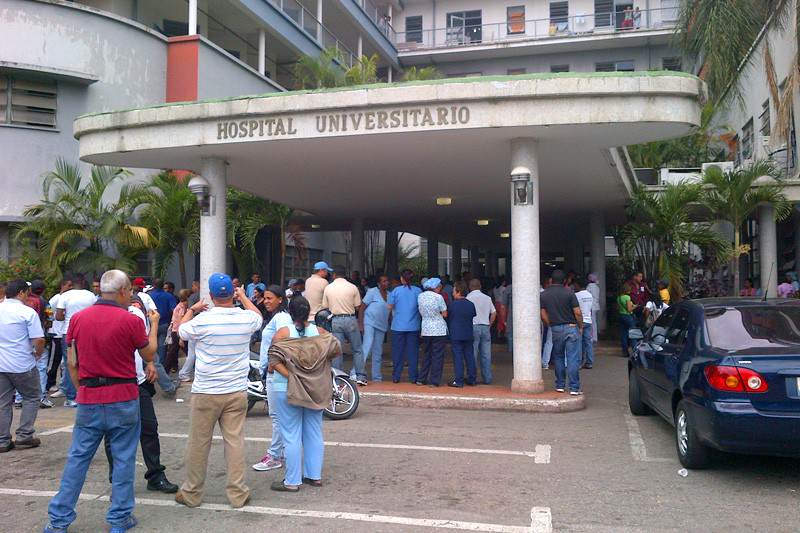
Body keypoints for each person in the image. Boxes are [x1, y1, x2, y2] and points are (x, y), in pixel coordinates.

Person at [45, 270, 159, 533]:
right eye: (129, 291)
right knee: (123, 460)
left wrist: (81, 390)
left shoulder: (79, 319)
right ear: (123, 290)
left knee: (77, 460)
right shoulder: (129, 320)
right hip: (124, 398)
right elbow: (149, 352)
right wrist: (153, 325)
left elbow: (72, 362)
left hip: (89, 397)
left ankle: (58, 520)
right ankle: (119, 519)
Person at [175, 274, 263, 509]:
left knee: (198, 443)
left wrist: (192, 309)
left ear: (212, 296)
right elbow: (258, 316)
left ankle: (191, 493)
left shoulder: (202, 321)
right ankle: (238, 494)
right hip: (236, 391)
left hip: (206, 391)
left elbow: (181, 331)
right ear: (231, 294)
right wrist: (244, 296)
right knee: (235, 443)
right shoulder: (246, 319)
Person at [102, 294, 179, 494]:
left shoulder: (135, 313)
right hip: (113, 385)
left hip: (137, 381)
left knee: (149, 428)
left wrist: (150, 363)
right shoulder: (100, 315)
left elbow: (143, 343)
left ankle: (155, 475)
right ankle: (117, 481)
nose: (132, 300)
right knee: (114, 434)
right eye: (128, 294)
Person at [267, 295, 342, 492]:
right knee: (314, 432)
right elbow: (336, 350)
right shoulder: (321, 332)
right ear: (309, 312)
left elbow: (273, 362)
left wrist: (293, 376)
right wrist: (316, 371)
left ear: (290, 312)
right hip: (315, 389)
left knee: (291, 434)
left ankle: (292, 481)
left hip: (286, 388)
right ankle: (314, 476)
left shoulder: (283, 333)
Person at [0, 279, 46, 453]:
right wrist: (38, 353)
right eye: (27, 293)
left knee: (3, 402)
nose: (28, 296)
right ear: (20, 293)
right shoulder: (26, 312)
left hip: (1, 365)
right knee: (32, 397)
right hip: (22, 364)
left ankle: (2, 440)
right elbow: (39, 339)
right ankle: (24, 435)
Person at [253, 285, 294, 472]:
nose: (266, 301)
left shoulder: (282, 317)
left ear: (280, 299)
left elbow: (286, 341)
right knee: (279, 416)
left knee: (277, 417)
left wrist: (272, 364)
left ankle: (274, 456)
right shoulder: (278, 316)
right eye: (265, 298)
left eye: (270, 298)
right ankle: (283, 453)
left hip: (275, 373)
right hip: (273, 372)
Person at [54, 275, 97, 408]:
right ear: (84, 283)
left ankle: (71, 397)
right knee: (86, 362)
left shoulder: (65, 296)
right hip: (87, 332)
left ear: (71, 284)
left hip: (68, 332)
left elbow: (59, 316)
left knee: (70, 364)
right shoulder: (91, 296)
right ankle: (86, 392)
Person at [540, 270, 583, 395]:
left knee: (558, 357)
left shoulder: (544, 295)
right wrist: (580, 326)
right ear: (564, 281)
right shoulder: (569, 293)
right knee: (572, 358)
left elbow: (542, 313)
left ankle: (560, 385)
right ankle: (574, 388)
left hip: (556, 328)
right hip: (571, 327)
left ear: (551, 280)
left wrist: (550, 324)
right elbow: (578, 312)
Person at [322, 267, 365, 385]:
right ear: (345, 275)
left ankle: (338, 379)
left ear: (334, 275)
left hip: (335, 320)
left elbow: (325, 306)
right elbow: (357, 306)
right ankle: (360, 376)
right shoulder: (352, 287)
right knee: (357, 349)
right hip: (350, 319)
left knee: (337, 351)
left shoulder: (328, 288)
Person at [140, 279, 177, 398]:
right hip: (161, 325)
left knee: (152, 357)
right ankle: (165, 382)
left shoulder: (148, 295)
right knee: (159, 352)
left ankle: (155, 375)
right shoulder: (165, 296)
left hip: (150, 328)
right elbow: (173, 309)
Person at [388, 269, 422, 383]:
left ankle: (396, 377)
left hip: (398, 326)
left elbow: (390, 307)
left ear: (402, 279)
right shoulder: (418, 291)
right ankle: (413, 377)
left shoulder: (396, 291)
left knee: (398, 352)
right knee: (413, 352)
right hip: (414, 326)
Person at [416, 278, 448, 387]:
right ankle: (434, 381)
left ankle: (421, 379)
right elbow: (444, 314)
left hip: (426, 329)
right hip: (439, 330)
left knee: (426, 355)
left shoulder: (420, 296)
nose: (440, 289)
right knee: (437, 356)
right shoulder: (439, 297)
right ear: (435, 287)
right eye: (439, 287)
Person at [360, 275, 390, 382]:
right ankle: (356, 373)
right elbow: (362, 307)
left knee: (378, 351)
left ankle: (376, 377)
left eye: (387, 281)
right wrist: (361, 324)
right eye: (384, 281)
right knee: (367, 347)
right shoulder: (372, 291)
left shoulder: (390, 295)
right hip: (369, 322)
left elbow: (390, 312)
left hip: (381, 325)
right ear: (379, 283)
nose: (386, 283)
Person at [447, 281, 477, 387]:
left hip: (456, 334)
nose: (452, 293)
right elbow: (473, 315)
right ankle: (472, 379)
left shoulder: (452, 305)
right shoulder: (471, 304)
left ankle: (459, 380)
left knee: (458, 357)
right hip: (468, 333)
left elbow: (448, 317)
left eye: (454, 291)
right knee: (469, 356)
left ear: (458, 292)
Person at [466, 278, 496, 384]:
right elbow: (494, 313)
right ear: (480, 286)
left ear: (470, 287)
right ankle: (487, 379)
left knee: (472, 353)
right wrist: (489, 324)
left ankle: (472, 378)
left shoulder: (468, 298)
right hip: (485, 326)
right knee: (486, 354)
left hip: (473, 327)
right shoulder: (487, 298)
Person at [46, 278, 72, 395]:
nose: (70, 288)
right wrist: (50, 324)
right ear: (62, 285)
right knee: (54, 361)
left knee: (64, 362)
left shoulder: (69, 298)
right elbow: (48, 311)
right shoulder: (56, 298)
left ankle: (64, 385)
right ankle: (50, 383)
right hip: (56, 334)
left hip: (63, 333)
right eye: (68, 285)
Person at [165, 289, 191, 375]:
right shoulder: (182, 307)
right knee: (187, 352)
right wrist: (180, 337)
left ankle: (166, 370)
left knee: (173, 352)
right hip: (177, 332)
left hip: (175, 331)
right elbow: (181, 320)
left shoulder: (179, 305)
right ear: (187, 298)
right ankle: (165, 370)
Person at [573, 279, 595, 370]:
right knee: (588, 343)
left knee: (578, 343)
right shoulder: (590, 295)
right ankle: (589, 362)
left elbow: (576, 311)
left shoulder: (576, 295)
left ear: (578, 285)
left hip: (579, 321)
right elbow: (590, 309)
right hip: (588, 321)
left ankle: (579, 363)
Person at [618, 283, 637, 358]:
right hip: (628, 316)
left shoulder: (619, 297)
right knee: (633, 333)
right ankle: (635, 351)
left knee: (624, 334)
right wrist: (635, 306)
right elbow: (629, 309)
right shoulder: (627, 297)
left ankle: (625, 352)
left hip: (621, 315)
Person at [540, 275, 554, 370]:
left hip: (548, 321)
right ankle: (545, 362)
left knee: (548, 342)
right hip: (545, 321)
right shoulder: (544, 294)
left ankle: (545, 362)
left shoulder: (545, 294)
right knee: (548, 342)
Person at [587, 273, 601, 343]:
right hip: (595, 306)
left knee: (591, 322)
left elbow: (587, 295)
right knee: (594, 322)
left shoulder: (589, 286)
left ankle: (592, 337)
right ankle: (595, 337)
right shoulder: (596, 286)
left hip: (591, 306)